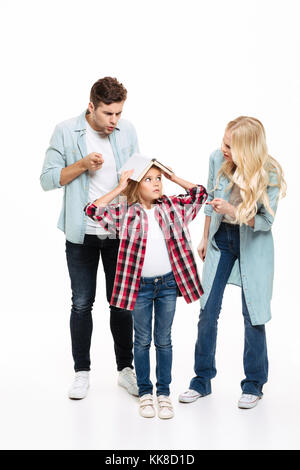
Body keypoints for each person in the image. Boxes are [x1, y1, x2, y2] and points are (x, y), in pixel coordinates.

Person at [40, 77, 140, 399]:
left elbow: (136, 180)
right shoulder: (67, 131)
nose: (114, 121)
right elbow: (47, 179)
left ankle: (126, 370)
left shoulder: (128, 131)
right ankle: (81, 373)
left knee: (121, 305)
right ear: (91, 106)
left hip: (118, 231)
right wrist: (82, 165)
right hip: (81, 232)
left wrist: (136, 179)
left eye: (119, 114)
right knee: (82, 303)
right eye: (108, 114)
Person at [179, 116, 286, 409]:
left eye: (229, 145)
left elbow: (265, 222)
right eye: (223, 141)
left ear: (246, 149)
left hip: (253, 242)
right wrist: (203, 239)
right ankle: (201, 380)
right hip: (221, 239)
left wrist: (234, 210)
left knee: (253, 314)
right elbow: (212, 202)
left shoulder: (270, 172)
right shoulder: (217, 159)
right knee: (207, 310)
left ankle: (254, 384)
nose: (222, 148)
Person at [84, 165, 207, 418]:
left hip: (168, 285)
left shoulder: (173, 206)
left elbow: (199, 194)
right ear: (136, 185)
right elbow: (92, 210)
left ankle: (163, 393)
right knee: (141, 341)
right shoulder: (126, 213)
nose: (156, 183)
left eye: (159, 179)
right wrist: (120, 187)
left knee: (164, 340)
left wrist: (174, 177)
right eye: (149, 179)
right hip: (139, 287)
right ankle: (145, 392)